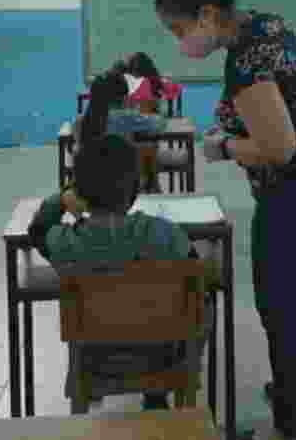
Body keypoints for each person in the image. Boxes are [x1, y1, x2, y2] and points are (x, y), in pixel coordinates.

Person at [155, 0, 296, 440]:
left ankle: (290, 429)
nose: (182, 43)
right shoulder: (266, 27)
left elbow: (277, 148)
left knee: (285, 310)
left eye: (181, 31)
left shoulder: (247, 61)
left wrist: (223, 146)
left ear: (208, 14)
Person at [26, 134, 209, 411]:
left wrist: (63, 199)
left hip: (93, 359)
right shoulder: (164, 233)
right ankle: (164, 387)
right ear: (135, 186)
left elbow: (37, 231)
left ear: (81, 193)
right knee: (201, 300)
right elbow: (195, 270)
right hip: (162, 356)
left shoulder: (68, 242)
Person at [79, 70, 168, 191]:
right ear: (122, 95)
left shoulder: (85, 119)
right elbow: (159, 124)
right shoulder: (123, 117)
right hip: (121, 182)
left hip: (91, 182)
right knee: (147, 155)